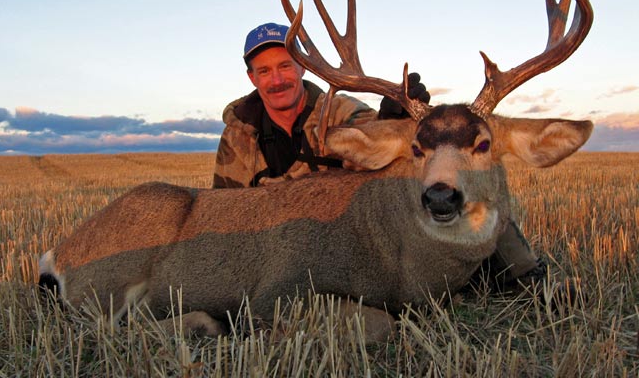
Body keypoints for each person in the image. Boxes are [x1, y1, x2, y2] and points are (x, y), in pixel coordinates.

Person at [213, 22, 547, 289]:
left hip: (346, 229)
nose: (277, 79)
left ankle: (524, 275)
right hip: (284, 246)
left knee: (473, 173)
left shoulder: (339, 111)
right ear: (252, 77)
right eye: (265, 70)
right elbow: (226, 209)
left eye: (285, 66)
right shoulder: (238, 136)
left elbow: (376, 145)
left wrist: (391, 119)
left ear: (301, 68)